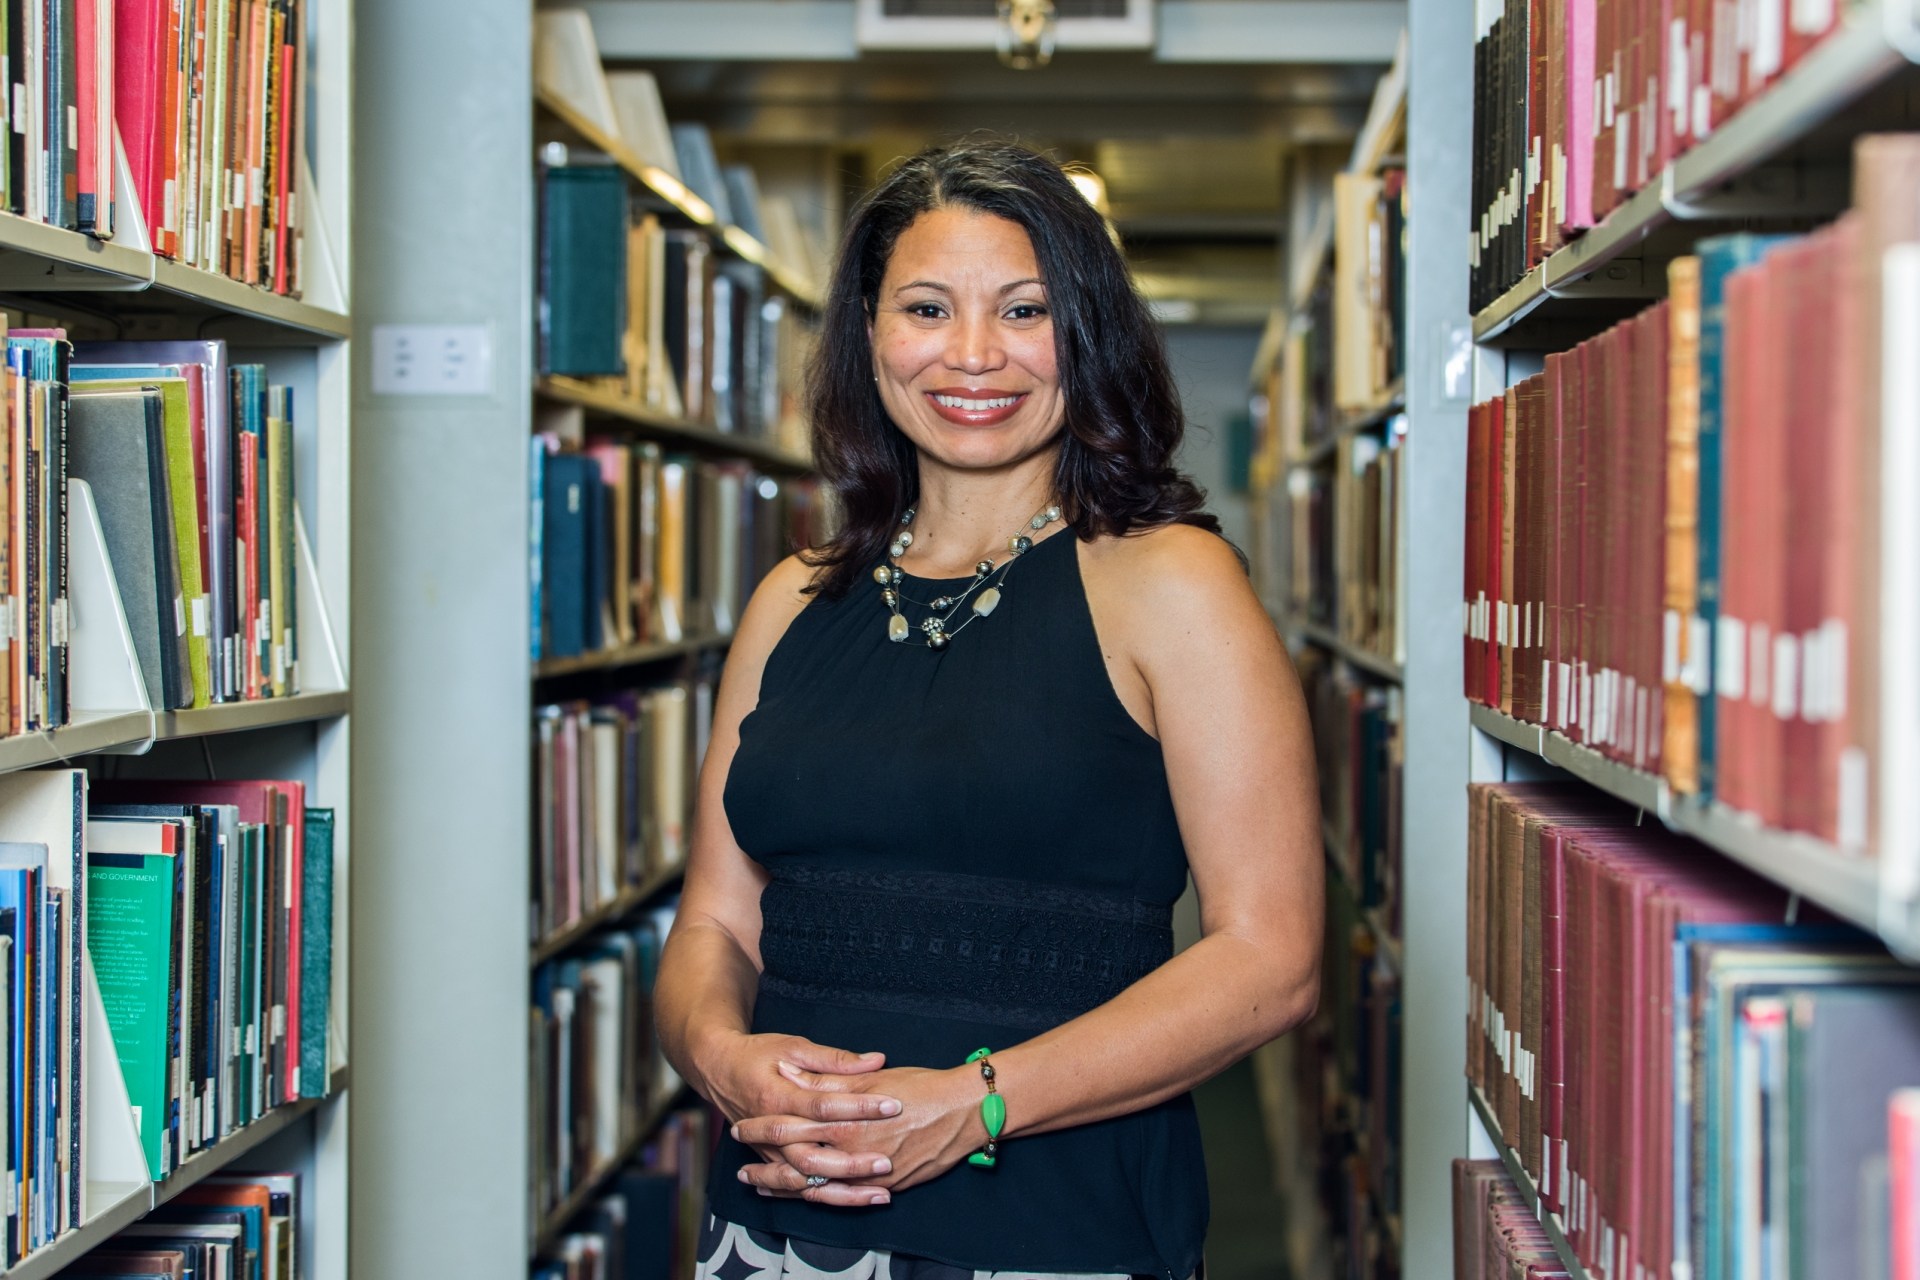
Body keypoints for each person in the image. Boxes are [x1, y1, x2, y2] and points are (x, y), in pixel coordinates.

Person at [654, 138, 1324, 1280]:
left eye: (1024, 310)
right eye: (927, 307)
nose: (973, 354)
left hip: (1052, 1224)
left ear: (1089, 332)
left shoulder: (1168, 582)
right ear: (868, 334)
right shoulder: (794, 601)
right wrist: (721, 1055)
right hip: (777, 1221)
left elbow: (1272, 954)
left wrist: (975, 1105)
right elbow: (715, 923)